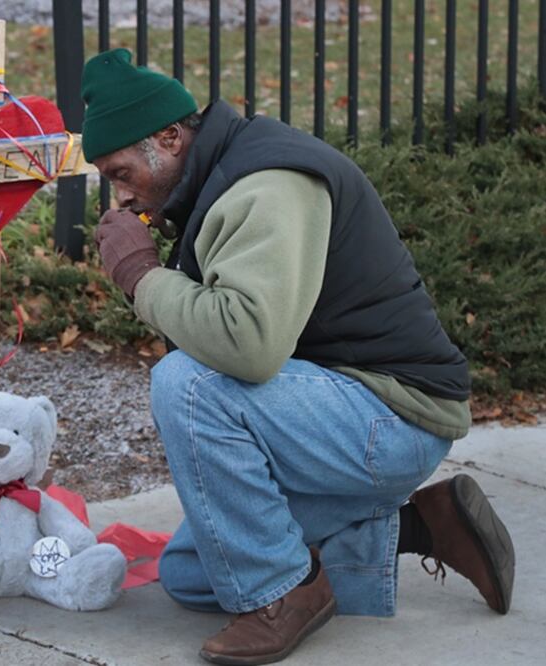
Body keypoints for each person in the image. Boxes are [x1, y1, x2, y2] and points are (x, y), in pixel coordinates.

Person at [81, 48, 516, 666]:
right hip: (335, 407)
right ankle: (426, 524)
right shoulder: (219, 173)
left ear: (171, 137)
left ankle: (280, 597)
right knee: (192, 571)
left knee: (188, 385)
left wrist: (140, 274)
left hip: (394, 417)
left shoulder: (267, 183)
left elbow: (248, 347)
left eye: (121, 172)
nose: (120, 196)